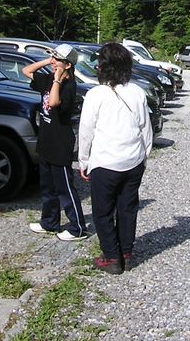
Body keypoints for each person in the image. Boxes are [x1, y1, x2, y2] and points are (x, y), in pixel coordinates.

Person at [79, 42, 153, 275]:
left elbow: (86, 131)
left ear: (103, 66)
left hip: (105, 163)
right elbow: (145, 129)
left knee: (102, 212)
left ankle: (111, 257)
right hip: (133, 161)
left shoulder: (95, 94)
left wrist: (83, 162)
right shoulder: (138, 92)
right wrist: (144, 157)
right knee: (128, 209)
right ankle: (127, 254)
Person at [22, 44, 88, 241]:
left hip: (60, 143)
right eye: (54, 59)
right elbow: (26, 71)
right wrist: (48, 60)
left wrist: (57, 80)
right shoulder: (49, 78)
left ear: (67, 65)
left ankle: (78, 228)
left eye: (57, 60)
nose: (53, 63)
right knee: (47, 188)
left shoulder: (69, 86)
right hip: (46, 141)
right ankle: (49, 223)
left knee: (65, 189)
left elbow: (53, 103)